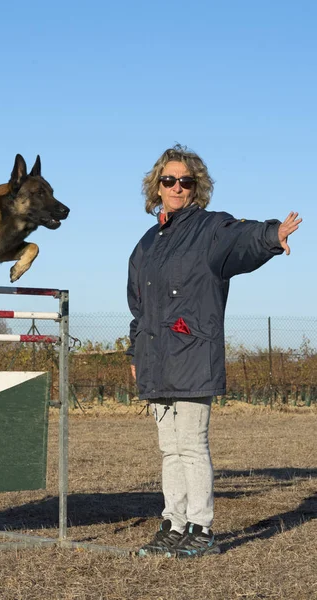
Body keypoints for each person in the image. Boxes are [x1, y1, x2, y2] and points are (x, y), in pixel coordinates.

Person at [126, 144, 301, 558]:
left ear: (196, 187)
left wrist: (271, 236)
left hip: (191, 352)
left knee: (191, 444)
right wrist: (135, 353)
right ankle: (174, 524)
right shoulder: (146, 244)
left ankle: (201, 530)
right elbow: (138, 306)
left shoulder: (210, 228)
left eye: (185, 181)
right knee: (169, 449)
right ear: (157, 186)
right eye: (168, 180)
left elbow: (241, 239)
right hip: (156, 357)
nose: (177, 187)